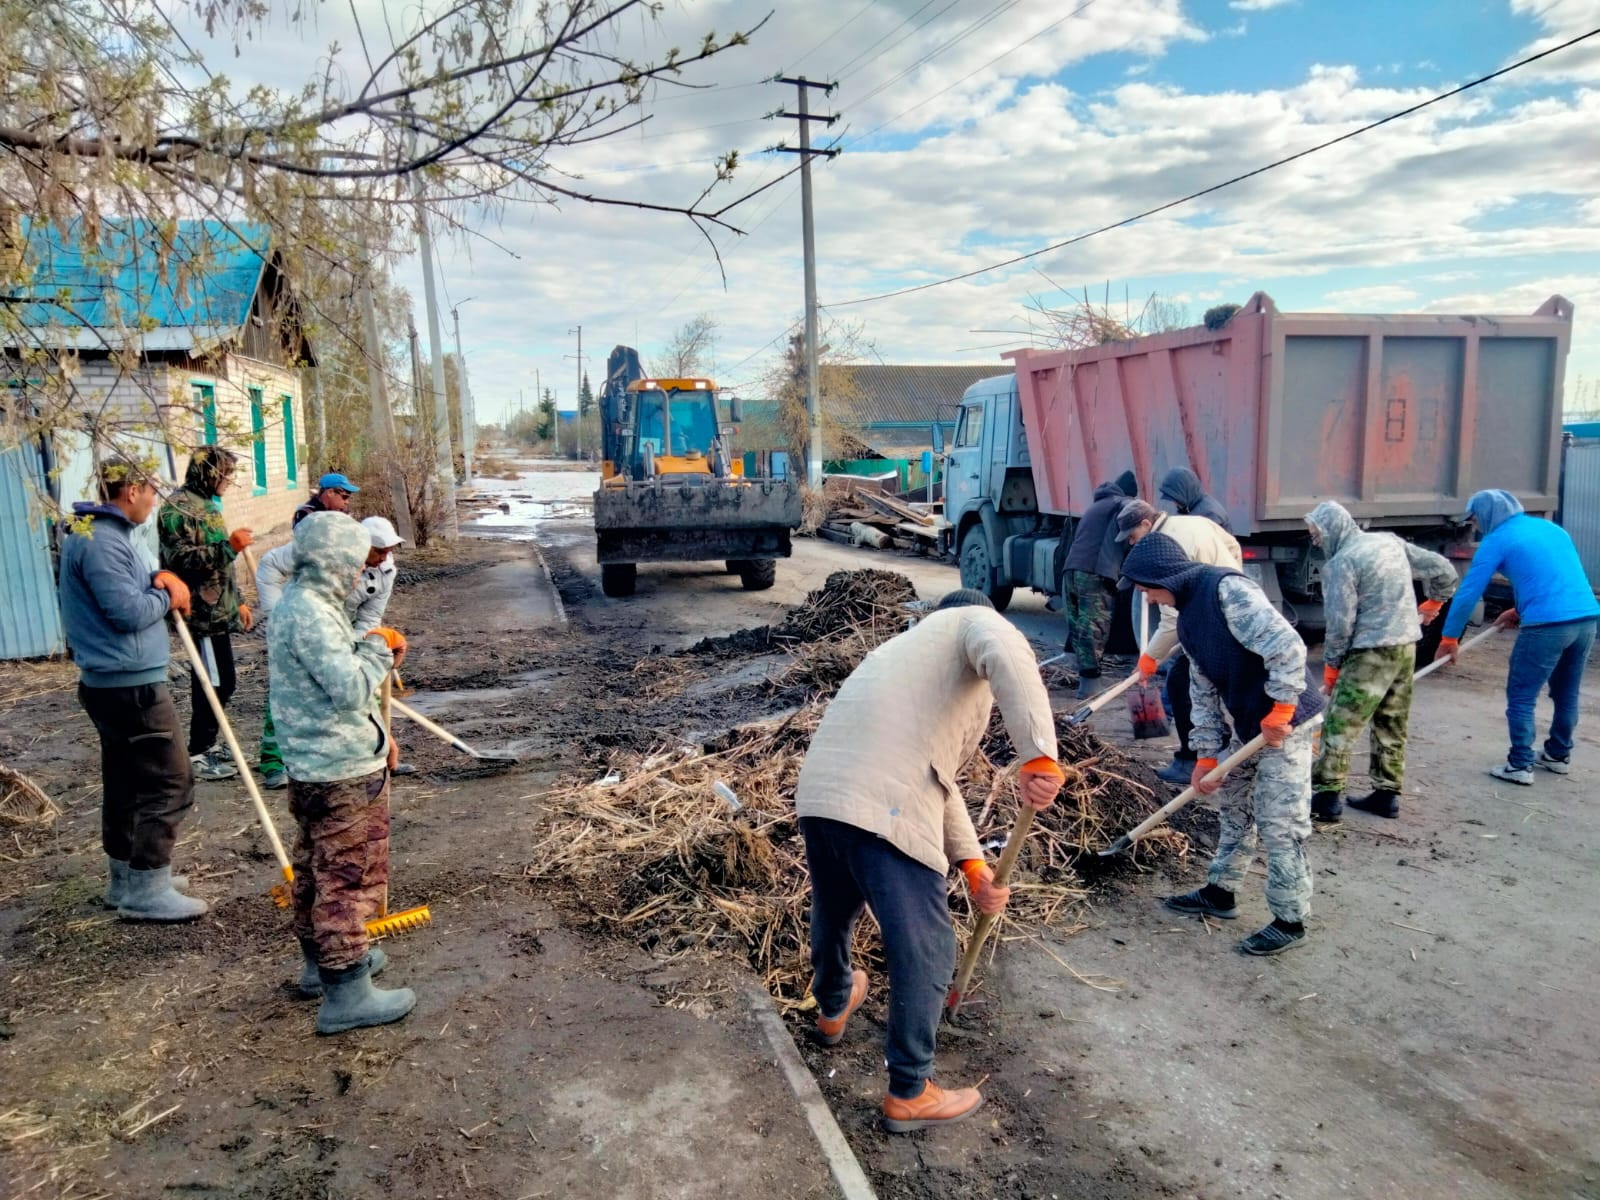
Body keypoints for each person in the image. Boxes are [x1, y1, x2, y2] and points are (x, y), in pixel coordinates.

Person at [795, 589, 1066, 1131]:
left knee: (835, 907)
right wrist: (1038, 754)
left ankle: (832, 1007)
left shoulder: (900, 659)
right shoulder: (972, 621)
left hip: (822, 797)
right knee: (926, 944)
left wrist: (972, 867)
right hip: (885, 802)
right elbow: (1003, 645)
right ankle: (910, 1089)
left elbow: (938, 783)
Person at [1121, 532, 1323, 956]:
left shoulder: (1227, 592)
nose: (1150, 599)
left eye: (1148, 589)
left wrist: (1283, 709)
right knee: (1234, 807)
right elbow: (1203, 689)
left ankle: (1290, 918)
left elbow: (1288, 647)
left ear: (1166, 578)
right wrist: (1207, 754)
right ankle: (1222, 891)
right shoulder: (1188, 618)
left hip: (1289, 723)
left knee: (1279, 822)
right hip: (1252, 726)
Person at [267, 511, 416, 1034]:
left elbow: (336, 685)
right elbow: (351, 688)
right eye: (354, 562)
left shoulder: (302, 605)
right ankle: (346, 989)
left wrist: (379, 733)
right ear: (335, 561)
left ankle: (321, 966)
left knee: (314, 869)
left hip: (318, 763)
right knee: (346, 878)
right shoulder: (311, 613)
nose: (361, 572)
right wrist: (381, 646)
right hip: (341, 772)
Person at [58, 460, 207, 921]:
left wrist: (156, 579)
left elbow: (124, 593)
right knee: (171, 780)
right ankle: (147, 886)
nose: (153, 502)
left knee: (126, 782)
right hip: (130, 687)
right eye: (151, 493)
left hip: (116, 682)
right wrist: (169, 596)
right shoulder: (100, 541)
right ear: (133, 490)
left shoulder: (101, 536)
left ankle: (128, 878)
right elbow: (125, 612)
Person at [1434, 489, 1599, 784]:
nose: (1475, 524)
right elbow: (1551, 577)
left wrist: (1449, 638)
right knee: (1567, 692)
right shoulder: (1552, 529)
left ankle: (1520, 765)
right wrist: (1520, 609)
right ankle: (1558, 755)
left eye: (1475, 517)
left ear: (1486, 514)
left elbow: (1468, 593)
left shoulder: (1496, 540)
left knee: (1522, 696)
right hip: (1585, 619)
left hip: (1547, 625)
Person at [1306, 502, 1457, 821]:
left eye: (1317, 534)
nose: (1315, 541)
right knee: (1392, 719)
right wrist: (1434, 601)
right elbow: (1443, 569)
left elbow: (1340, 624)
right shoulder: (1388, 541)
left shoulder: (1340, 564)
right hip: (1405, 645)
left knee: (1341, 722)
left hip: (1370, 652)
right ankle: (1387, 794)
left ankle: (1327, 797)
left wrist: (1332, 666)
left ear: (1333, 529)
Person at [256, 516, 409, 788]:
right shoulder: (320, 554)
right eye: (379, 551)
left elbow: (370, 617)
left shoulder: (386, 571)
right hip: (310, 627)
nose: (384, 559)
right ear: (358, 547)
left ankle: (373, 746)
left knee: (355, 688)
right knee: (296, 692)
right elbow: (269, 565)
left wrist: (366, 644)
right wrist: (277, 614)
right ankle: (272, 762)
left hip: (343, 628)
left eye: (389, 552)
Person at [1114, 499, 1243, 785]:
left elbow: (1171, 623)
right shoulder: (1194, 521)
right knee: (1195, 681)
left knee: (1181, 684)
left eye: (1133, 537)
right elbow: (1232, 545)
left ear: (1147, 524)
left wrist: (1149, 658)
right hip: (1217, 602)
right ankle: (1215, 741)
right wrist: (1231, 572)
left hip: (1213, 615)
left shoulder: (1165, 547)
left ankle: (1191, 759)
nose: (1133, 544)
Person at [158, 446, 253, 781]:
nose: (230, 480)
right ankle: (200, 750)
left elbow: (221, 564)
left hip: (219, 610)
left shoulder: (208, 505)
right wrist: (231, 546)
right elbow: (181, 559)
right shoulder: (178, 508)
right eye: (225, 473)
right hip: (200, 614)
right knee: (215, 682)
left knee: (223, 680)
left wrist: (238, 600)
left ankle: (208, 743)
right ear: (208, 473)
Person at [1060, 470, 1137, 698]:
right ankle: (1091, 686)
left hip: (1071, 570)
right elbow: (1128, 537)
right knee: (1094, 626)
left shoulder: (1097, 505)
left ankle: (1085, 678)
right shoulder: (1122, 505)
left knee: (1079, 625)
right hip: (1094, 572)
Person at [1158, 466, 1232, 532]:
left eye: (1176, 499)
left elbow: (1201, 543)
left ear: (1185, 492)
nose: (1175, 503)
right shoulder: (1193, 505)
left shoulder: (1209, 514)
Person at [294, 472, 360, 526]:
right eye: (344, 497)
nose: (347, 502)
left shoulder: (338, 511)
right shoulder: (306, 515)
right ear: (330, 492)